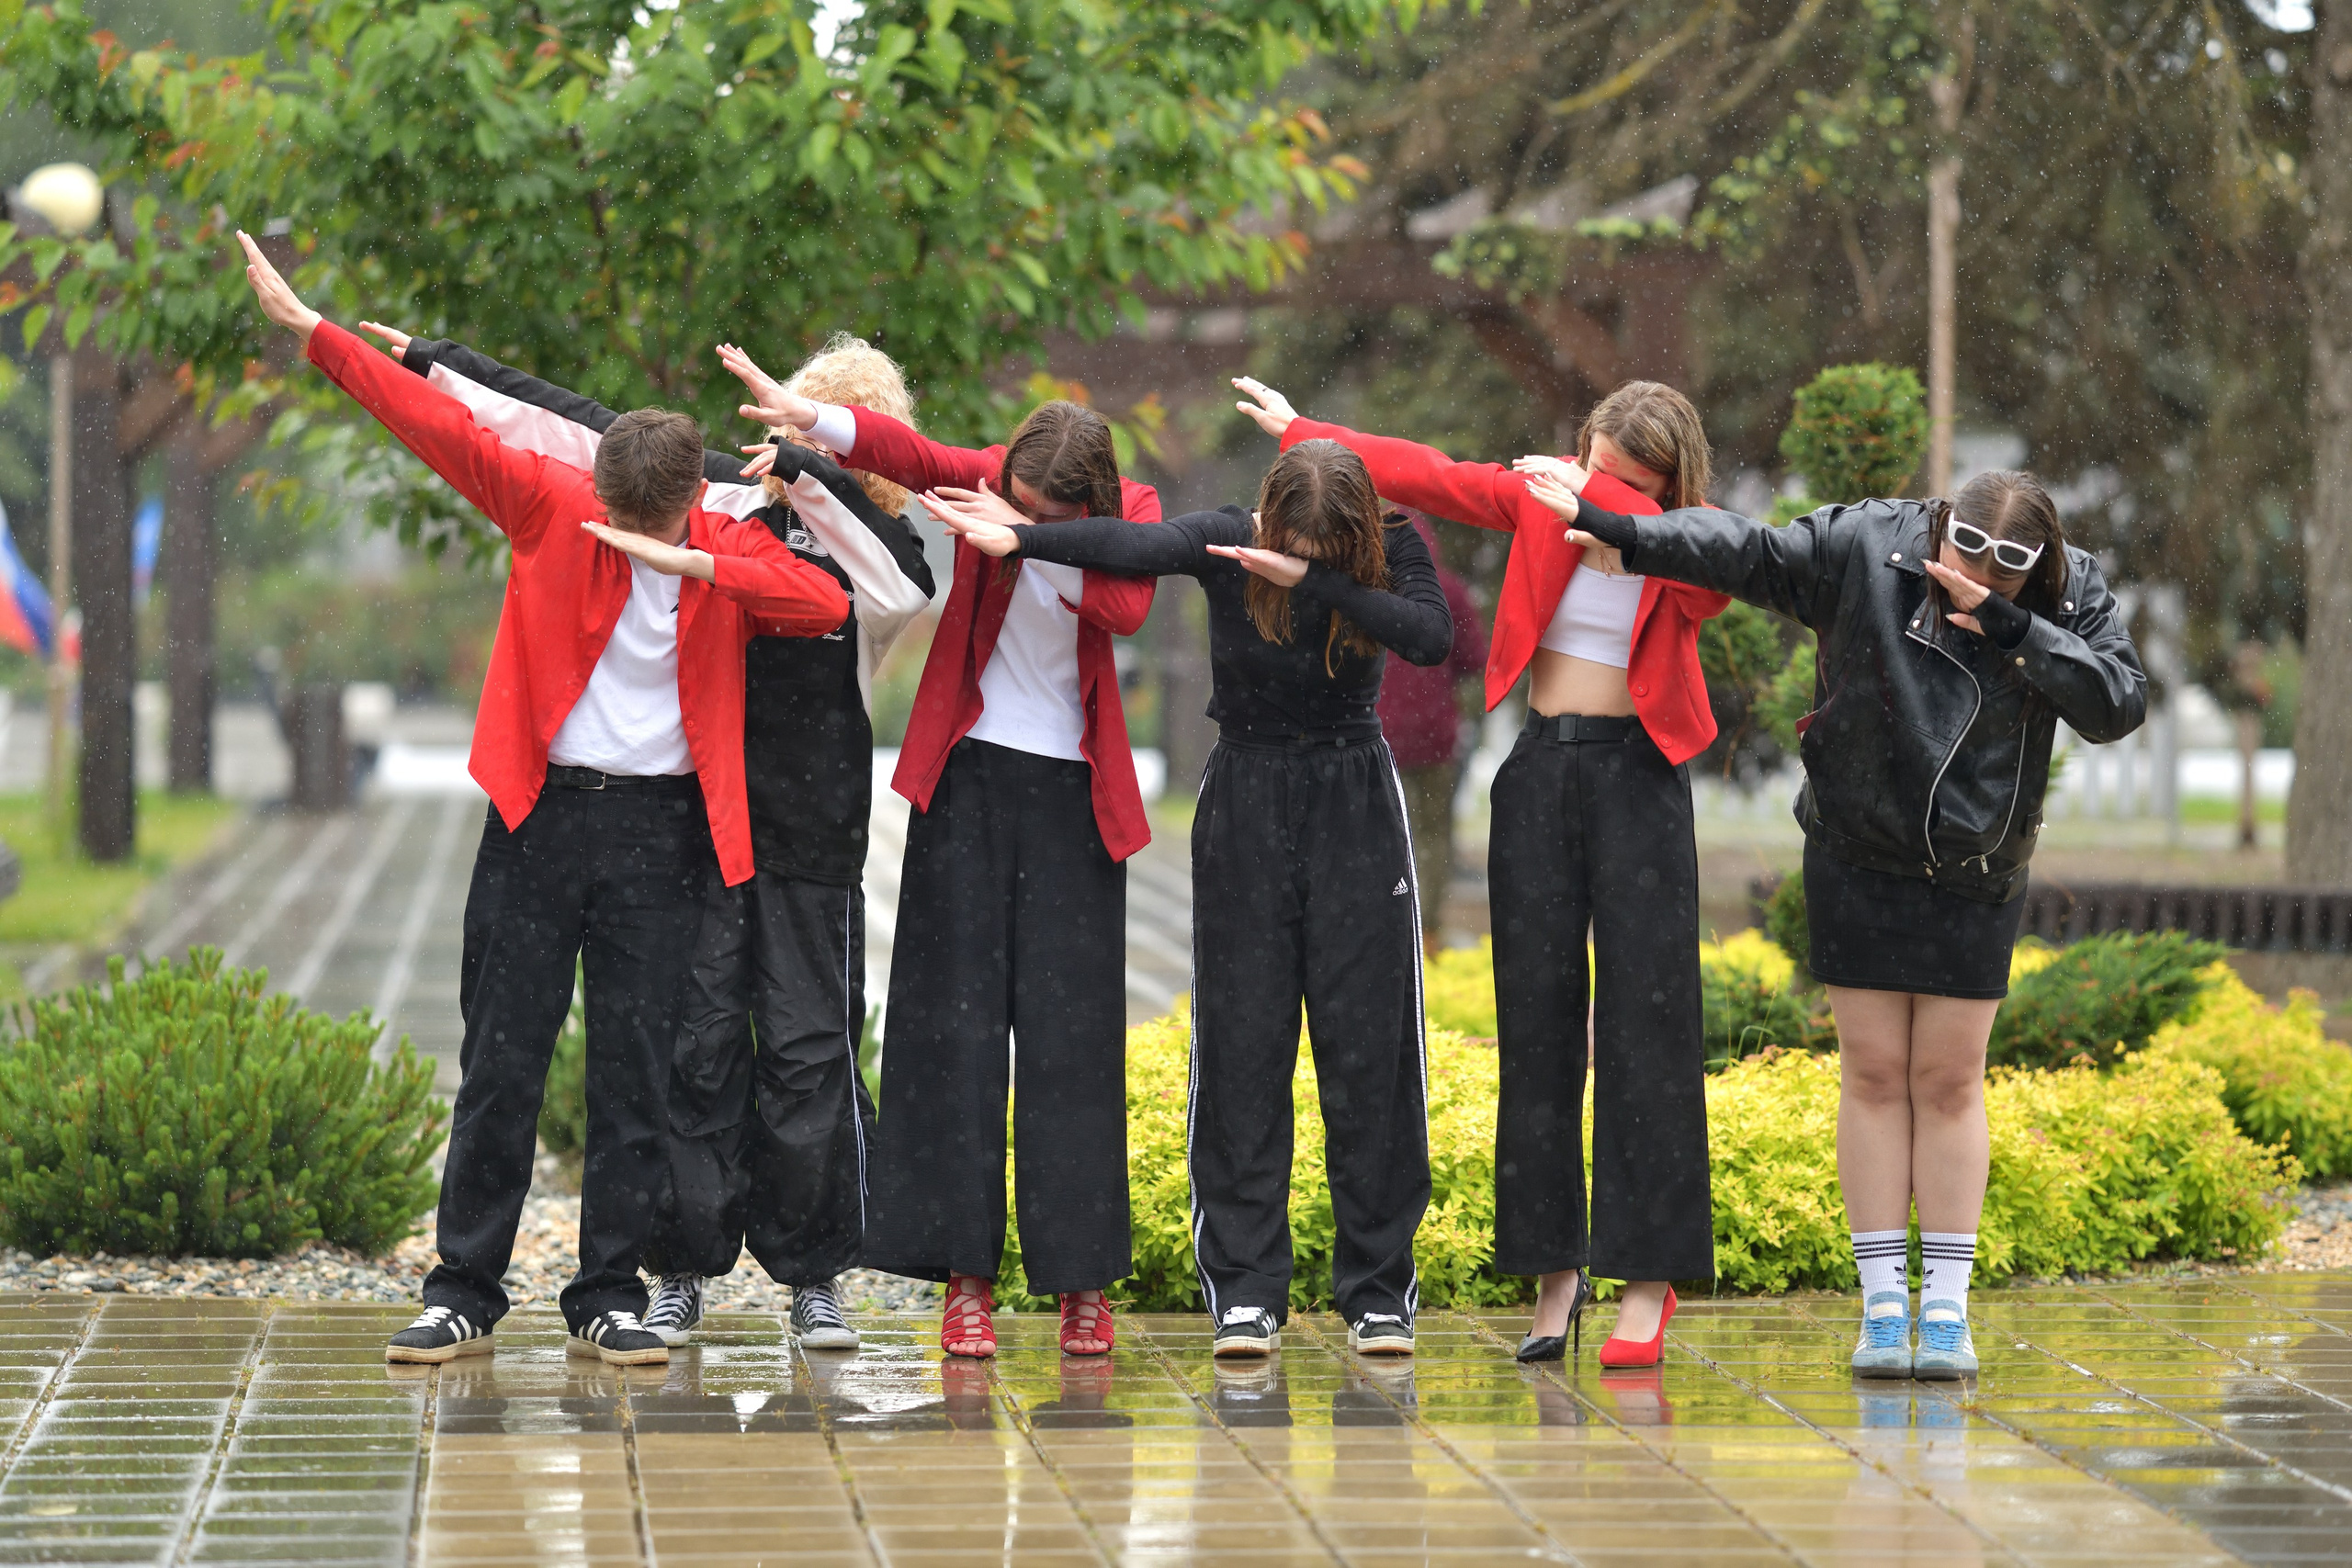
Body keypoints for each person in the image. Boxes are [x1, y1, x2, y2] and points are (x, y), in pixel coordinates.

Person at [230, 234, 853, 1370]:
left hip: (662, 834)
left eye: (638, 521)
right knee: (502, 1055)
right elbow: (439, 426)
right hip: (538, 817)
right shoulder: (550, 500)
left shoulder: (720, 538)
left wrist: (701, 568)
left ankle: (607, 1291)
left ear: (680, 506)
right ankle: (463, 1284)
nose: (613, 527)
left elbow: (822, 604)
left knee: (634, 1070)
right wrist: (310, 329)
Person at [357, 327, 935, 1353]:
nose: (810, 447)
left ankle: (803, 1275)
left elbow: (873, 593)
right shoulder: (725, 504)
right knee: (681, 1056)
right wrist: (441, 361)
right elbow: (575, 423)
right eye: (795, 422)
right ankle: (659, 1272)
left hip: (805, 837)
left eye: (846, 438)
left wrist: (813, 472)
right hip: (688, 825)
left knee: (806, 1057)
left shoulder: (864, 546)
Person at [1528, 463, 2146, 1378]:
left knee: (1946, 1081)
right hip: (1857, 846)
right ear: (1940, 526)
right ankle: (1880, 1304)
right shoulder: (1868, 545)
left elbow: (2117, 704)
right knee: (1872, 1073)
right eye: (1967, 549)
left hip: (1973, 865)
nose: (1980, 571)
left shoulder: (2065, 589)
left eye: (2009, 563)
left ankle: (1945, 1309)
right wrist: (1614, 525)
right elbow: (1746, 549)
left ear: (2038, 561)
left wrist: (2016, 628)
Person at [1232, 378, 1728, 1368]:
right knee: (1536, 1028)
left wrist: (1597, 507)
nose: (1595, 487)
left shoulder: (1691, 534)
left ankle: (1646, 1281)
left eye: (1630, 479)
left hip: (1639, 778)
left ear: (1670, 481)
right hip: (1540, 769)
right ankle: (1554, 1274)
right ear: (1579, 440)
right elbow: (1430, 473)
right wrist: (1304, 428)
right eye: (1592, 460)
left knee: (1648, 1025)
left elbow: (1713, 573)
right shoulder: (1538, 500)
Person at [923, 438, 1451, 1360]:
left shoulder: (1395, 548)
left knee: (1370, 1048)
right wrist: (1025, 540)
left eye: (1330, 552)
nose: (1306, 561)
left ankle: (1377, 1292)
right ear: (1271, 515)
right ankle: (1245, 1292)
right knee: (1243, 1046)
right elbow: (1140, 549)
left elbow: (1429, 638)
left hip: (1354, 797)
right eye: (1296, 544)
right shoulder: (1224, 539)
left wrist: (1312, 580)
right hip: (1246, 791)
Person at [728, 351, 1157, 1358]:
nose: (1017, 511)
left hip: (1072, 802)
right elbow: (909, 453)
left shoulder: (1130, 517)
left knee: (1070, 1044)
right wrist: (815, 424)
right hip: (964, 787)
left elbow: (1126, 603)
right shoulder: (989, 476)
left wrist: (1026, 542)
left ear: (1085, 499)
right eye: (1015, 498)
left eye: (1049, 508)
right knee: (948, 1037)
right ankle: (960, 1277)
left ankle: (1078, 1282)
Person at [1374, 514, 1488, 954]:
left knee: (1384, 830)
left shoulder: (1369, 590)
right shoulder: (1451, 591)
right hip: (1435, 733)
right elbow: (1473, 657)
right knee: (1435, 832)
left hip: (1377, 735)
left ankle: (1387, 922)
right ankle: (1429, 927)